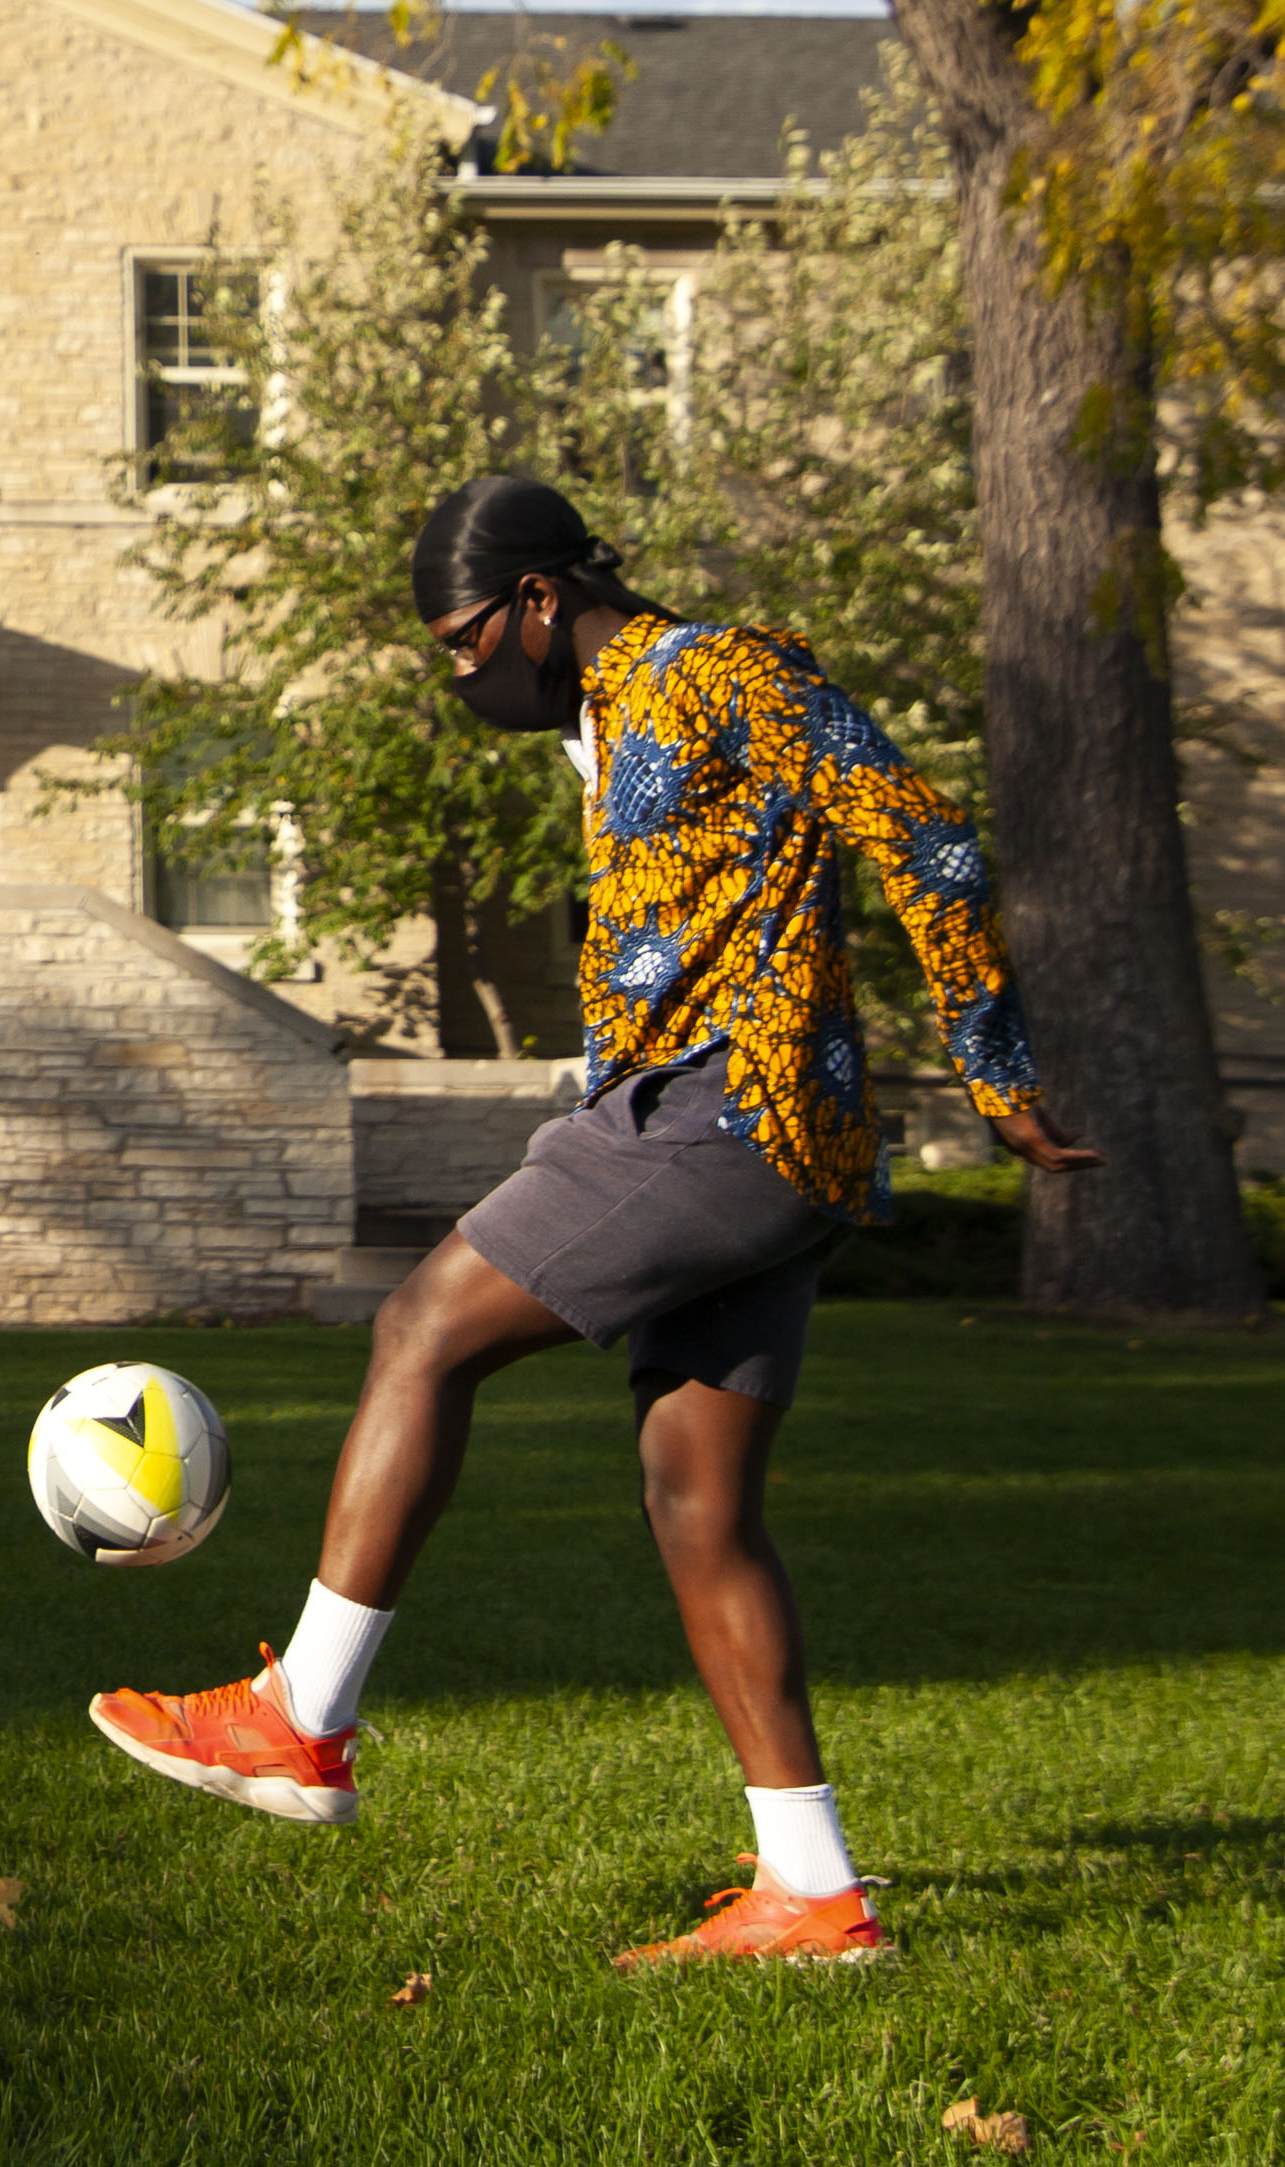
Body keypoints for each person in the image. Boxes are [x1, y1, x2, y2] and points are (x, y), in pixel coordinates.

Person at [87, 473, 1097, 1965]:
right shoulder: (607, 720)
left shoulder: (727, 673)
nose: (459, 671)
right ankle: (812, 1891)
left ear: (541, 601)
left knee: (423, 1327)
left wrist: (995, 1069)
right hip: (747, 1136)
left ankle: (302, 1718)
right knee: (701, 1507)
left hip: (720, 1113)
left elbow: (930, 837)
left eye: (464, 639)